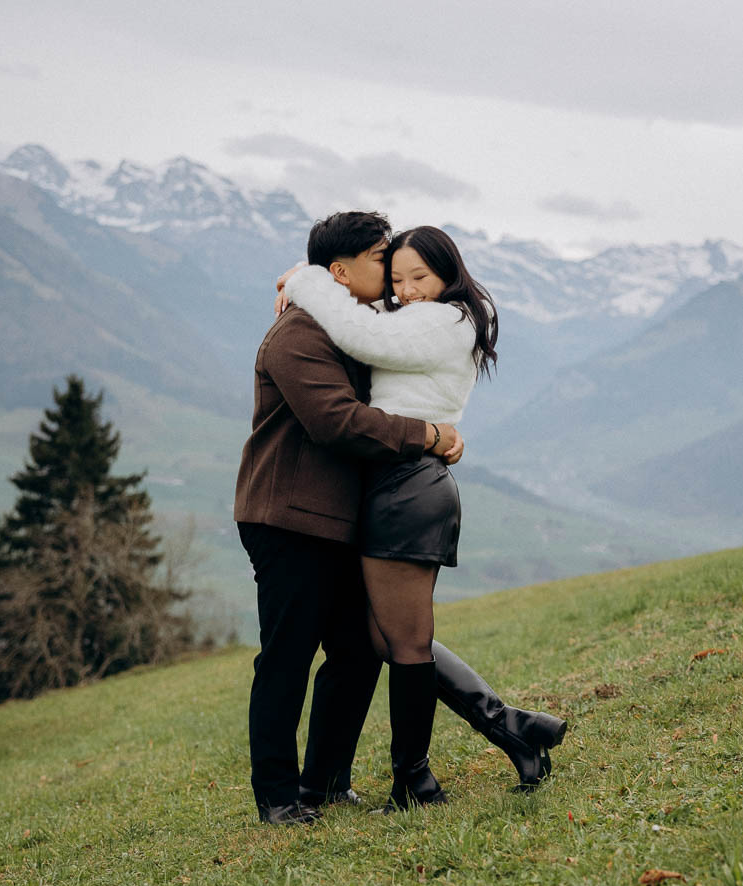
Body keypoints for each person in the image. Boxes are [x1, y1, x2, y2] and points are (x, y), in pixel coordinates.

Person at [282, 225, 567, 811]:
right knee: (386, 637)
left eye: (421, 278)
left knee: (405, 643)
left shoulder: (449, 317)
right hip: (396, 482)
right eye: (398, 278)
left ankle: (416, 782)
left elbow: (364, 336)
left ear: (447, 275)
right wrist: (311, 272)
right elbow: (365, 308)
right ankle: (511, 727)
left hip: (407, 485)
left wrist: (307, 279)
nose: (407, 290)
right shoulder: (421, 312)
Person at [234, 211, 463, 824]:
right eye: (379, 257)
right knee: (286, 656)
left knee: (357, 653)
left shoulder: (347, 325)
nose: (389, 271)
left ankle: (326, 782)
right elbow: (337, 421)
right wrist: (428, 434)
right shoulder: (298, 335)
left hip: (334, 517)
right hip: (288, 517)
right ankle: (279, 798)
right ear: (340, 272)